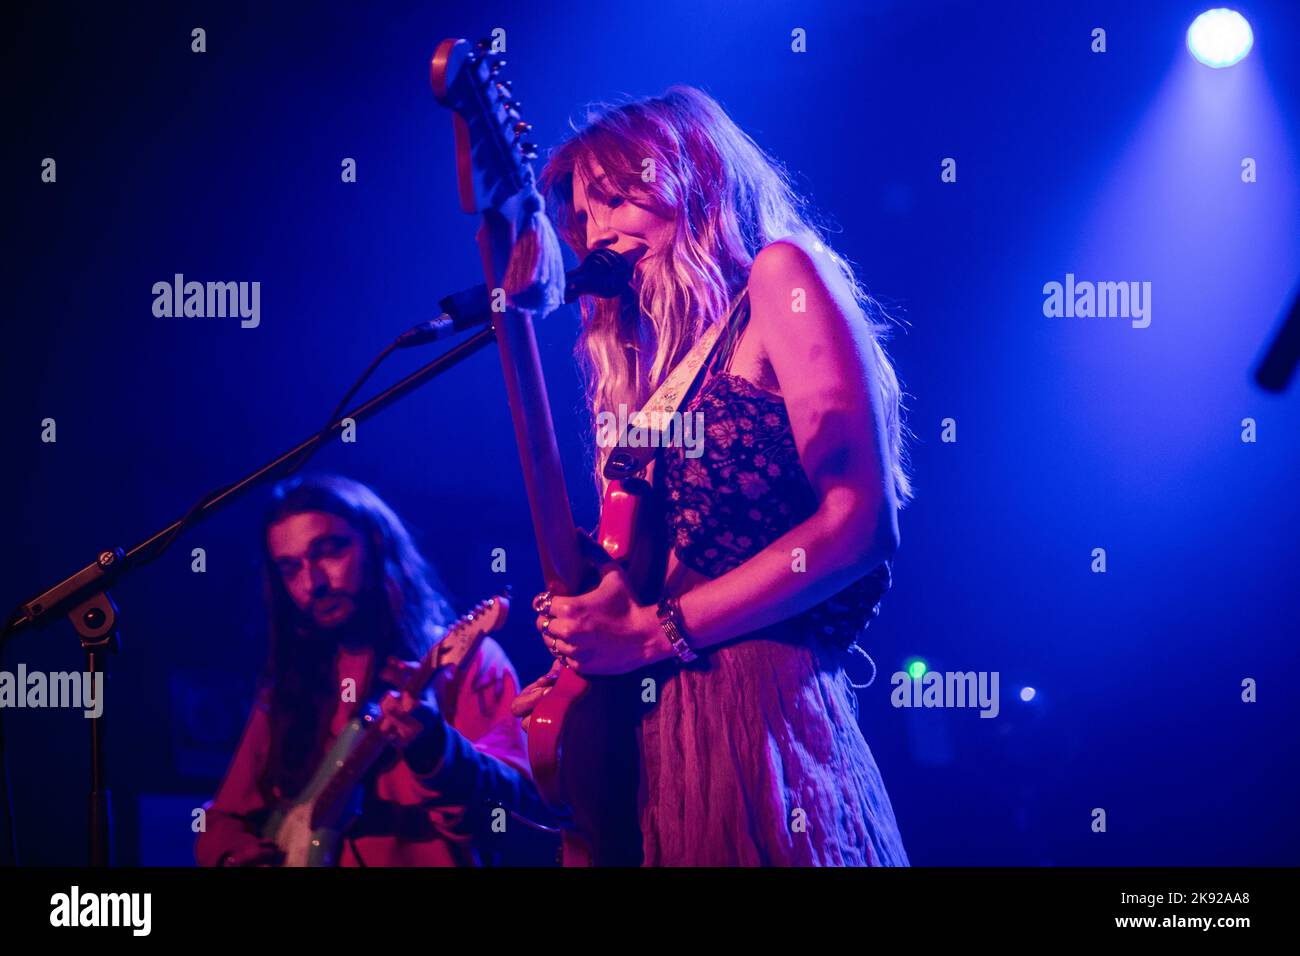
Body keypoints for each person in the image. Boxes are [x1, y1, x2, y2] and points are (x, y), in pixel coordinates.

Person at [512, 86, 913, 866]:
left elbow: (861, 522)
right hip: (657, 739)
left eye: (617, 200)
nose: (598, 237)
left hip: (764, 723)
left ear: (693, 176)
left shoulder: (780, 276)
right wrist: (589, 645)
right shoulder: (654, 372)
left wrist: (654, 633)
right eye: (582, 219)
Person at [196, 474, 545, 866]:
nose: (313, 584)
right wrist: (235, 854)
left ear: (377, 546)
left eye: (330, 551)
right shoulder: (288, 687)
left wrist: (437, 751)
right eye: (291, 568)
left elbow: (516, 814)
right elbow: (221, 818)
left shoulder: (469, 662)